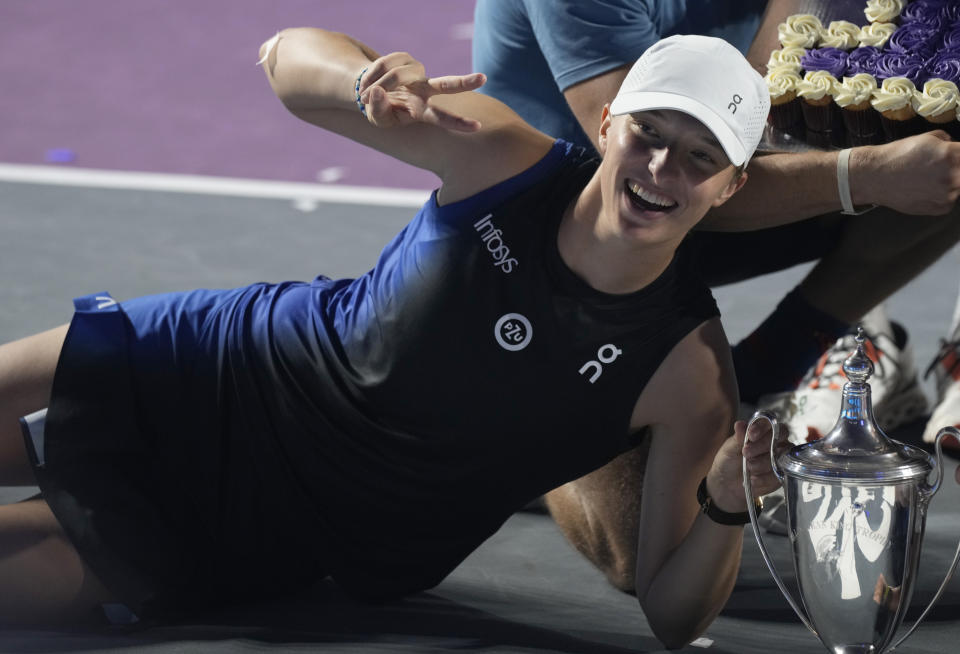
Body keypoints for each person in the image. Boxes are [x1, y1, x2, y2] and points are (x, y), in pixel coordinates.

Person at [0, 29, 785, 648]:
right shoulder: (503, 159)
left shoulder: (688, 374)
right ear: (609, 124)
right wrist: (365, 82)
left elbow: (673, 618)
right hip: (212, 364)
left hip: (257, 527)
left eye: (699, 157)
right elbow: (282, 57)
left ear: (731, 185)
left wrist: (724, 508)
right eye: (646, 133)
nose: (659, 168)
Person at [472, 0, 960, 449]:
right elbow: (656, 175)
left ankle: (773, 363)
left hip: (689, 200)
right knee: (601, 478)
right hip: (555, 240)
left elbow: (761, 120)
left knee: (945, 159)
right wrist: (869, 173)